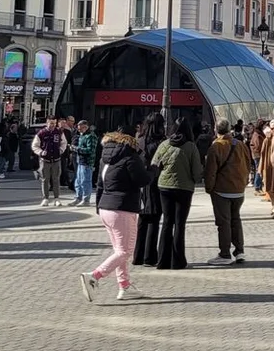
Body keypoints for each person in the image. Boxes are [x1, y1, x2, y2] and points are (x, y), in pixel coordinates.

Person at [81, 128, 151, 301]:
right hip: (123, 208)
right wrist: (154, 169)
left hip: (106, 207)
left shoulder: (105, 159)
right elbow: (143, 180)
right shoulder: (130, 157)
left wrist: (99, 207)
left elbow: (100, 184)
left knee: (119, 251)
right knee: (125, 251)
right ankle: (94, 276)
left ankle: (124, 285)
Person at [152, 120, 202, 269]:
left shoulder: (164, 144)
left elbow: (155, 163)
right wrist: (195, 178)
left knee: (167, 222)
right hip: (184, 188)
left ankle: (163, 260)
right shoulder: (191, 146)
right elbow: (197, 171)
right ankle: (178, 260)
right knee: (180, 224)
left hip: (164, 187)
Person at [203, 119, 249, 265]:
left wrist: (209, 188)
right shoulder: (240, 144)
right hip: (238, 189)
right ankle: (239, 251)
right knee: (236, 220)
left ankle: (225, 254)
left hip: (222, 190)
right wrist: (244, 182)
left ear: (216, 130)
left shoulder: (216, 146)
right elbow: (248, 164)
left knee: (223, 223)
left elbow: (210, 171)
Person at [133, 113, 167, 266]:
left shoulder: (139, 141)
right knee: (154, 217)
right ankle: (149, 256)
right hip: (156, 182)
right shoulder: (162, 143)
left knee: (142, 218)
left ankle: (138, 255)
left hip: (141, 182)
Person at [31, 117, 67, 206]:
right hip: (45, 160)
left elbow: (64, 143)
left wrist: (61, 150)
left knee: (56, 179)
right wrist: (40, 152)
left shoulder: (59, 132)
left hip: (56, 160)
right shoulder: (41, 133)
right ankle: (45, 198)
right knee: (45, 179)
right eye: (51, 123)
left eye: (54, 123)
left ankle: (57, 198)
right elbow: (34, 145)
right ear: (47, 123)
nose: (53, 125)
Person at [71, 121, 100, 206]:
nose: (79, 130)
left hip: (87, 162)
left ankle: (86, 200)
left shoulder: (91, 136)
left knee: (85, 181)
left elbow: (90, 150)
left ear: (85, 127)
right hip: (80, 161)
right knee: (78, 181)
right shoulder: (82, 135)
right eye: (78, 129)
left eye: (80, 128)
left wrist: (76, 149)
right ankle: (78, 197)